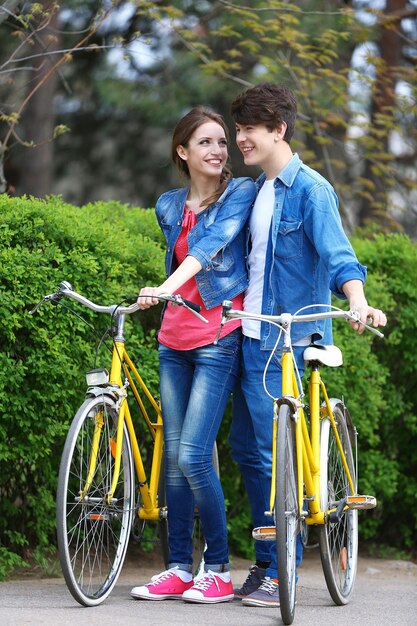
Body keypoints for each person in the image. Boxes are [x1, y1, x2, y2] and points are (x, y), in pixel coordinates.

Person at [228, 83, 387, 608]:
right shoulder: (255, 190)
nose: (241, 138)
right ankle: (269, 561)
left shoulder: (311, 190)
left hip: (292, 339)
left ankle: (281, 569)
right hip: (251, 334)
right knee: (249, 452)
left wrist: (358, 301)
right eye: (239, 128)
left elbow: (340, 255)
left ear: (279, 130)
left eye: (250, 129)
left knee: (274, 457)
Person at [130, 106, 256, 604]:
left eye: (222, 141)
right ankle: (179, 566)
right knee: (175, 461)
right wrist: (164, 298)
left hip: (219, 336)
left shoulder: (240, 193)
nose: (219, 151)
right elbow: (180, 254)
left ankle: (219, 568)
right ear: (183, 151)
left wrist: (162, 288)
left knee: (195, 456)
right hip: (173, 341)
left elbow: (208, 250)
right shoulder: (167, 205)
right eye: (205, 142)